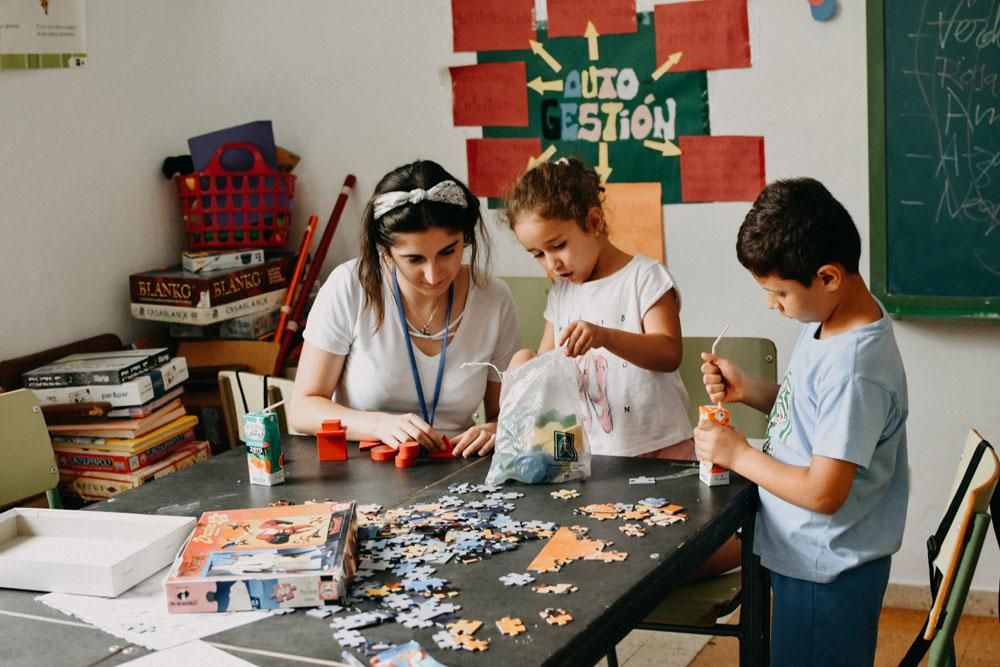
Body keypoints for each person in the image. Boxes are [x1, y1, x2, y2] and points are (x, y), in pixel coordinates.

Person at [694, 178, 908, 666]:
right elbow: (813, 418)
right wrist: (750, 390)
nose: (772, 305)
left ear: (828, 276)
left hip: (828, 568)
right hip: (812, 556)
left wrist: (738, 454)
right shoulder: (829, 322)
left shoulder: (854, 369)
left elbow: (823, 493)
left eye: (778, 293)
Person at [289, 160, 521, 457]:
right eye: (414, 259)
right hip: (362, 468)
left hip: (457, 469)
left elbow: (505, 415)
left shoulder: (494, 298)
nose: (434, 274)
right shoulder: (350, 286)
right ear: (385, 252)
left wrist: (496, 429)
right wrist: (378, 426)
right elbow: (302, 408)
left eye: (448, 252)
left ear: (466, 238)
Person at [501, 157, 692, 459]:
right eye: (537, 254)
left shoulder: (644, 277)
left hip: (661, 449)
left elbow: (669, 354)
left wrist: (605, 337)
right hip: (592, 456)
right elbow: (549, 367)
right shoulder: (561, 293)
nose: (551, 264)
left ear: (593, 222)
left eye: (558, 245)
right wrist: (526, 368)